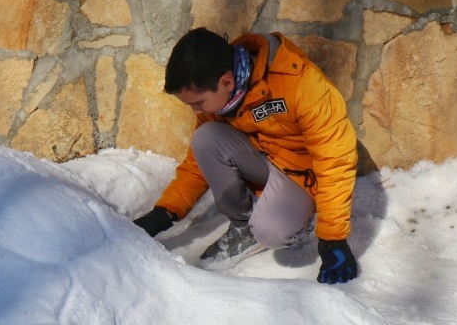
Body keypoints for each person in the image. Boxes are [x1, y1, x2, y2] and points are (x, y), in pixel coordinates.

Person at [133, 28, 359, 284]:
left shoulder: (302, 84)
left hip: (301, 173)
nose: (196, 111)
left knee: (272, 233)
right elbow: (198, 163)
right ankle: (243, 227)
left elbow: (335, 160)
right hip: (264, 158)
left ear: (227, 82)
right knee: (205, 137)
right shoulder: (221, 93)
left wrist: (333, 238)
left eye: (198, 103)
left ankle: (298, 219)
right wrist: (165, 212)